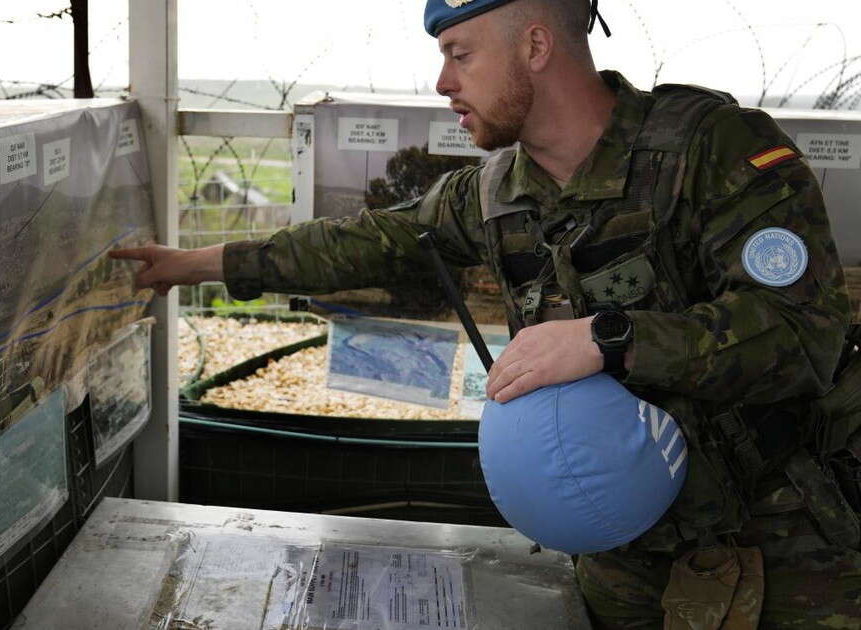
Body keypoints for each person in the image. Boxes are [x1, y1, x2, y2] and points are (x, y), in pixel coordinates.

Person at [111, 0, 861, 627]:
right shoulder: (496, 193)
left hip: (780, 536)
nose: (443, 82)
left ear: (535, 45)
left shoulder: (713, 151)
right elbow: (371, 243)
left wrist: (611, 340)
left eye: (460, 53)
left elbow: (804, 334)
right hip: (623, 548)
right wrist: (195, 266)